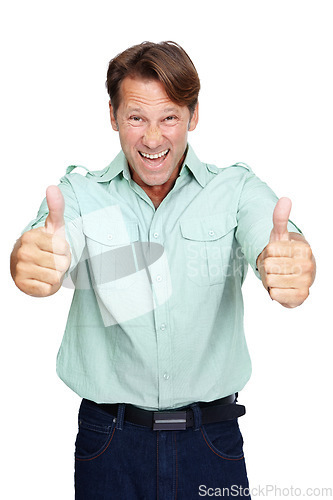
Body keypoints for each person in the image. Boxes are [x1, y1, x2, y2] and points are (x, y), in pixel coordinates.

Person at [10, 41, 315, 499]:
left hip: (212, 441)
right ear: (112, 116)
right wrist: (30, 259)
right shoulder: (78, 194)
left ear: (193, 116)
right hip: (108, 442)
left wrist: (291, 258)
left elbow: (271, 235)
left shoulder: (235, 190)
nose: (153, 139)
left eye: (169, 117)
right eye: (136, 117)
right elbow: (48, 243)